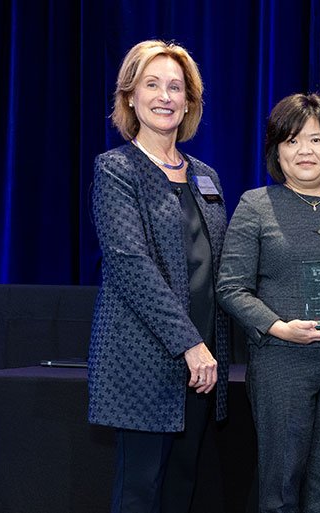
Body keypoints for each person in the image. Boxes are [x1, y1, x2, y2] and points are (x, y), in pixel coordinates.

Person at [88, 40, 228, 513]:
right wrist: (189, 344)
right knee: (139, 491)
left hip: (203, 366)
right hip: (145, 359)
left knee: (181, 488)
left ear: (189, 101)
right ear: (129, 96)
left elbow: (221, 264)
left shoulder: (205, 175)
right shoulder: (116, 169)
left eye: (176, 87)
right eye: (152, 84)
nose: (165, 96)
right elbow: (130, 265)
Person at [216, 93, 320, 513]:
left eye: (316, 139)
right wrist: (276, 326)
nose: (305, 150)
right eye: (292, 141)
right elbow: (231, 287)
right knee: (279, 480)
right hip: (280, 362)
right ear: (277, 151)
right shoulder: (256, 204)